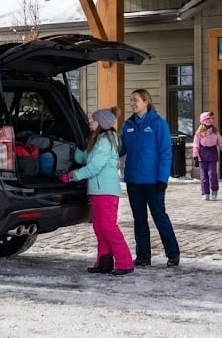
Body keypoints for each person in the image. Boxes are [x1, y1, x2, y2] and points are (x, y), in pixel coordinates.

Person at [58, 107, 134, 276]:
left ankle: (125, 262)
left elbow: (94, 167)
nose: (90, 122)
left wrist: (72, 176)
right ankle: (104, 262)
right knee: (100, 227)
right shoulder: (98, 140)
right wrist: (69, 148)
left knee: (108, 227)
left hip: (106, 191)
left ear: (101, 124)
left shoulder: (106, 141)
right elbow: (84, 158)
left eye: (93, 120)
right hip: (98, 191)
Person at [119, 89, 180, 268]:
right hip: (134, 182)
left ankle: (173, 253)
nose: (132, 103)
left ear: (146, 101)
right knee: (139, 220)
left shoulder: (158, 123)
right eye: (131, 100)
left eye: (135, 100)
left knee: (159, 217)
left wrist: (163, 178)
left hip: (154, 181)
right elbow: (120, 150)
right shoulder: (127, 125)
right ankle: (143, 256)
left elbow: (165, 153)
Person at [192, 110, 222, 201]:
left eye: (211, 119)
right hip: (202, 154)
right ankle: (205, 192)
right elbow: (196, 144)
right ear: (203, 121)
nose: (209, 121)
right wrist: (195, 156)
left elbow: (220, 143)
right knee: (204, 175)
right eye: (207, 119)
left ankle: (214, 190)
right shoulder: (199, 132)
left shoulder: (215, 131)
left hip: (212, 153)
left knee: (212, 174)